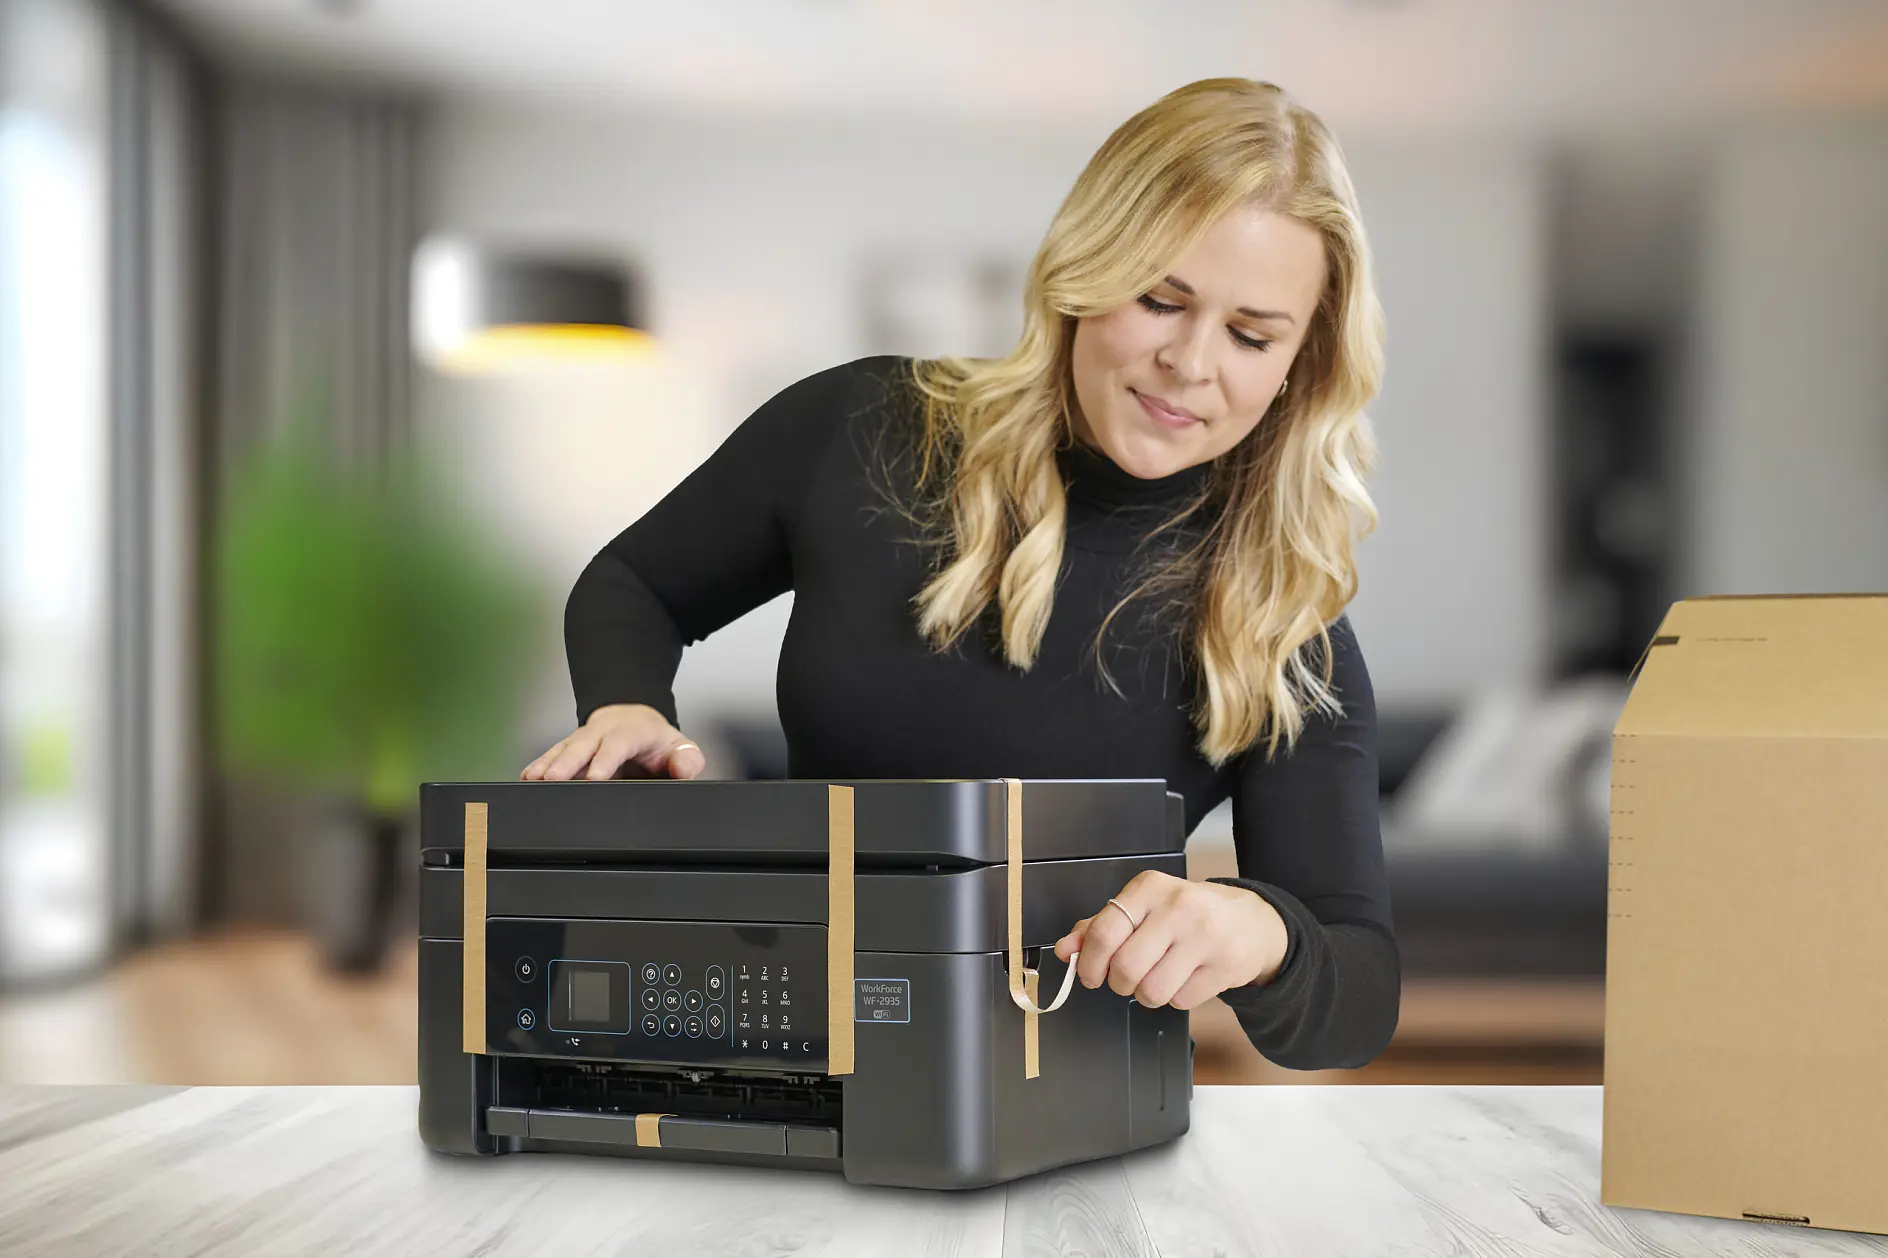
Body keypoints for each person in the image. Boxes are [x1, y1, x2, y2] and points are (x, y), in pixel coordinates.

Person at [525, 77, 1397, 1071]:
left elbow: (1357, 989)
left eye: (1251, 334)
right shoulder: (866, 428)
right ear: (1082, 268)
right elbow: (635, 580)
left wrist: (1260, 933)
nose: (1191, 362)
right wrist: (627, 705)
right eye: (1160, 298)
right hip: (795, 1058)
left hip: (1061, 1118)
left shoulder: (1283, 621)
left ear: (1302, 362)